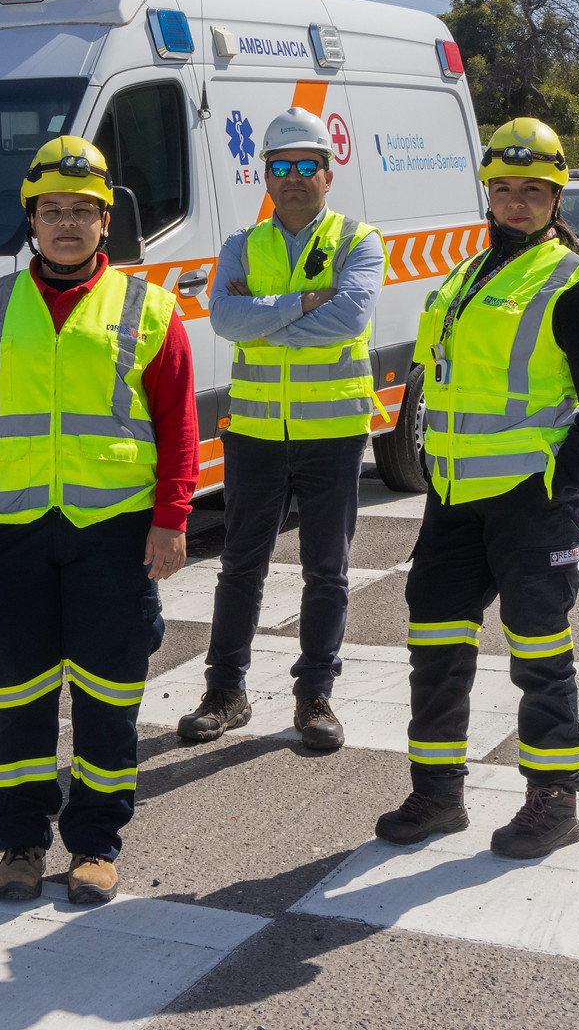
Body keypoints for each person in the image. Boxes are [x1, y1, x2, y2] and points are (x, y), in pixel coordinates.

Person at [0, 136, 198, 907]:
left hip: (113, 530)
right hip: (9, 533)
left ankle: (94, 845)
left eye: (84, 211)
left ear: (106, 221)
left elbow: (179, 424)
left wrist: (171, 516)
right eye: (53, 211)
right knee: (17, 695)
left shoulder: (149, 307)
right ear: (32, 222)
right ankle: (19, 841)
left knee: (110, 695)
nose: (68, 225)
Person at [373, 118, 579, 860]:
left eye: (533, 192)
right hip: (453, 497)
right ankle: (438, 791)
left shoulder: (573, 283)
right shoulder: (466, 274)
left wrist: (559, 484)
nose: (516, 204)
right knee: (434, 638)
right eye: (504, 190)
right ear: (488, 193)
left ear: (556, 198)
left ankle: (552, 800)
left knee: (537, 647)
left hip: (530, 499)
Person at [178, 108, 384, 752]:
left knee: (328, 570)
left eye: (304, 166)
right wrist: (302, 302)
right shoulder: (243, 244)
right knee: (241, 565)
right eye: (279, 166)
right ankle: (226, 692)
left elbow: (348, 319)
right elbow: (225, 321)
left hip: (333, 433)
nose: (292, 178)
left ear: (328, 173)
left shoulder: (360, 240)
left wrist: (262, 313)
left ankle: (314, 696)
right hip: (257, 433)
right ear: (264, 174)